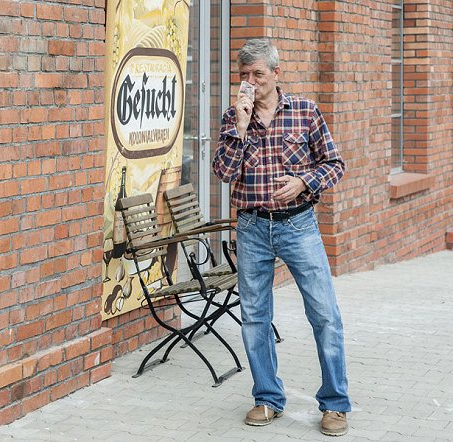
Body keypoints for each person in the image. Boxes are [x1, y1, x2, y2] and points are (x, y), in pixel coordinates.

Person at [212, 39, 351, 437]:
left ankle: (335, 404)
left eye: (257, 74)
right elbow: (223, 174)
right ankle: (267, 399)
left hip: (299, 225)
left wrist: (303, 181)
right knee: (255, 317)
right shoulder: (232, 118)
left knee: (324, 314)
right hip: (252, 228)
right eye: (244, 75)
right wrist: (238, 128)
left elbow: (335, 164)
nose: (250, 82)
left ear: (275, 73)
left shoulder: (305, 112)